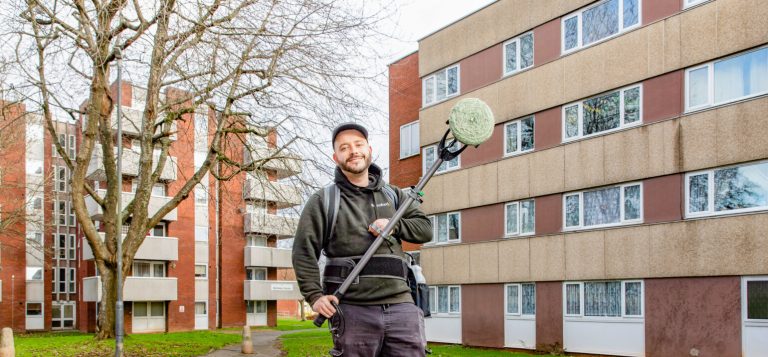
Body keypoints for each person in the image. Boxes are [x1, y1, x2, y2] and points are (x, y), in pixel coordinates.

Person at [292, 122, 433, 356]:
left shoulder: (395, 195)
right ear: (335, 157)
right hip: (353, 309)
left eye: (358, 145)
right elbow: (303, 251)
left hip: (401, 306)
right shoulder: (324, 201)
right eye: (344, 148)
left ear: (369, 149)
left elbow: (425, 230)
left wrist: (394, 225)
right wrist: (314, 296)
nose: (353, 151)